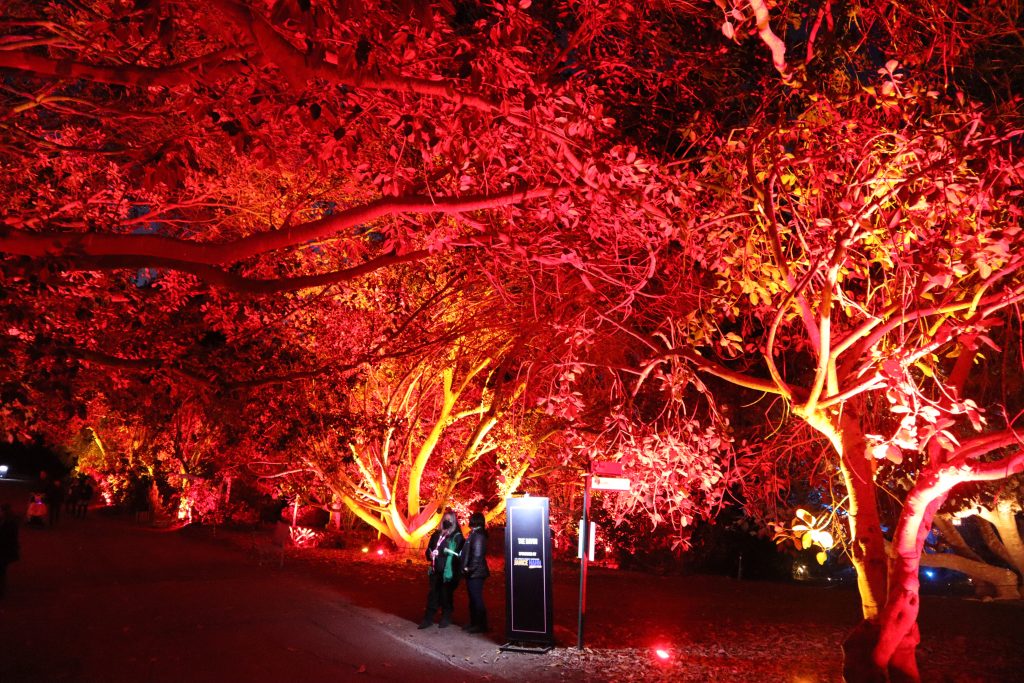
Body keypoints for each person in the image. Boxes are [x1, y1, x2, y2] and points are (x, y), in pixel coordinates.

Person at [418, 509, 464, 629]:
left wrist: (444, 554)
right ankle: (428, 619)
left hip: (448, 572)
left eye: (449, 520)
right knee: (433, 594)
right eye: (445, 520)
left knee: (445, 595)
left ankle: (446, 617)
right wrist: (431, 554)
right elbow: (428, 550)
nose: (447, 522)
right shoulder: (436, 535)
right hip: (435, 570)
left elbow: (458, 555)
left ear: (454, 522)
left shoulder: (456, 536)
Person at [460, 511, 490, 633]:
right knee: (473, 598)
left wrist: (469, 568)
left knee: (476, 598)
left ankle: (481, 625)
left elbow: (477, 555)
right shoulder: (475, 534)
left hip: (476, 573)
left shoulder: (478, 536)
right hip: (474, 572)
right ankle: (474, 622)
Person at [0, 503, 21, 597]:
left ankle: (1, 590)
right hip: (5, 550)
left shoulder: (10, 524)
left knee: (1, 571)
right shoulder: (10, 523)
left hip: (4, 550)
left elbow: (11, 539)